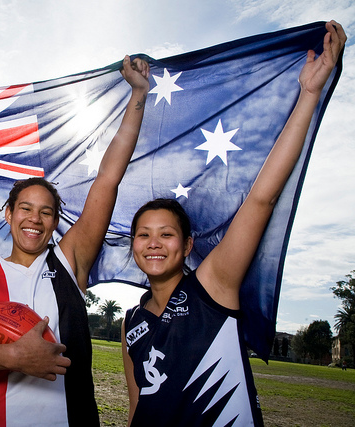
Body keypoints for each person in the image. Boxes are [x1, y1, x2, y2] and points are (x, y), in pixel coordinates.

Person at [121, 21, 346, 427]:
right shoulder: (131, 323)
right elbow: (138, 407)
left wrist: (309, 94)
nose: (154, 243)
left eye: (166, 234)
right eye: (144, 234)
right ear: (133, 244)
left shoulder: (213, 285)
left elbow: (262, 198)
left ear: (188, 245)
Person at [0, 55, 150, 426]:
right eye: (25, 209)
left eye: (46, 212)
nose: (34, 218)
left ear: (54, 222)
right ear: (9, 214)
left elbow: (108, 179)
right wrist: (13, 356)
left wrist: (138, 95)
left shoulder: (70, 261)